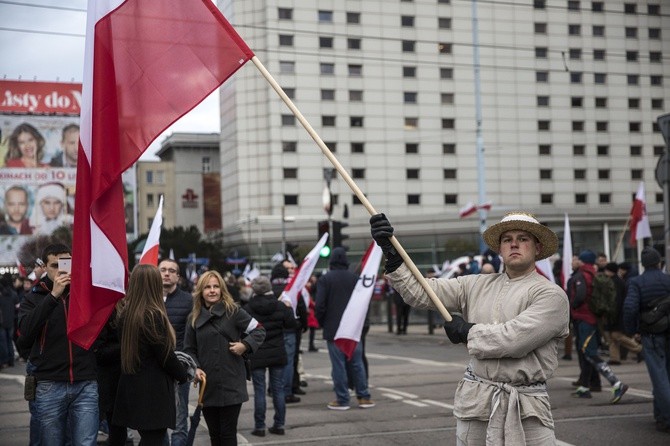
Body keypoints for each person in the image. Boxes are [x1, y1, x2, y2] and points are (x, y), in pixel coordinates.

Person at [371, 212, 569, 444]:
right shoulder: (475, 284)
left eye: (523, 238)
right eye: (507, 239)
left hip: (527, 409)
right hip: (477, 403)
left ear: (537, 248)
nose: (514, 243)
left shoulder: (551, 295)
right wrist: (392, 254)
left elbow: (514, 339)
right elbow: (423, 292)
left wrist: (467, 331)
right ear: (500, 249)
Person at [17, 243, 99, 445]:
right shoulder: (33, 297)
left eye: (68, 264)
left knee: (85, 442)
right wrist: (53, 296)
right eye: (55, 265)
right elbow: (25, 335)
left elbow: (102, 328)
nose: (62, 270)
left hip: (84, 382)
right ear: (44, 268)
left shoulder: (83, 294)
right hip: (49, 383)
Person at [183, 270, 265, 445]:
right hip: (208, 386)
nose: (212, 290)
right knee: (214, 435)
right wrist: (195, 367)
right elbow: (189, 349)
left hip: (232, 384)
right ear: (200, 291)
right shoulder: (193, 318)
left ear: (222, 289)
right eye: (207, 287)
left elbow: (259, 330)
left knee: (227, 435)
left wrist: (245, 345)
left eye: (216, 286)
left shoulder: (233, 311)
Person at [315, 247, 375, 411]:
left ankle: (342, 399)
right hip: (353, 328)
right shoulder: (356, 278)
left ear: (332, 261)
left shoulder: (325, 279)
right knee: (357, 362)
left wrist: (322, 322)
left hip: (334, 329)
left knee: (338, 365)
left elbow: (320, 305)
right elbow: (364, 303)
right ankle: (364, 397)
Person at [568, 249, 628, 402]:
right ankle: (585, 388)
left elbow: (580, 295)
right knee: (587, 353)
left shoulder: (582, 275)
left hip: (585, 319)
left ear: (582, 261)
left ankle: (616, 383)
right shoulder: (594, 274)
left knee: (590, 353)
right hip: (593, 319)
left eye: (578, 259)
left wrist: (572, 306)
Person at [623, 247, 670, 434]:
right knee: (666, 376)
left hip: (651, 335)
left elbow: (630, 307)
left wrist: (632, 330)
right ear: (658, 262)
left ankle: (666, 417)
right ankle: (660, 417)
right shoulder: (668, 280)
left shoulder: (637, 282)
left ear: (643, 264)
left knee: (659, 378)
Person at [243, 275, 297, 437]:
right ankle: (279, 424)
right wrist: (289, 308)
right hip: (277, 352)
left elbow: (242, 329)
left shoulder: (248, 308)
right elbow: (292, 325)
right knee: (278, 389)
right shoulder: (280, 306)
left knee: (259, 391)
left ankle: (260, 427)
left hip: (257, 352)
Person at [159, 259, 193, 446]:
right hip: (156, 368)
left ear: (178, 277)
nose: (166, 273)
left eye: (171, 271)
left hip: (180, 366)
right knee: (158, 418)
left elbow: (191, 336)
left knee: (180, 419)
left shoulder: (188, 300)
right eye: (163, 269)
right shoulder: (150, 298)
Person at [603, 262, 641, 365]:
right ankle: (614, 358)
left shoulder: (616, 282)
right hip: (616, 313)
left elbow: (617, 300)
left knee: (616, 335)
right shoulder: (615, 281)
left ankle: (639, 349)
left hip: (617, 314)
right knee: (612, 337)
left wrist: (613, 314)